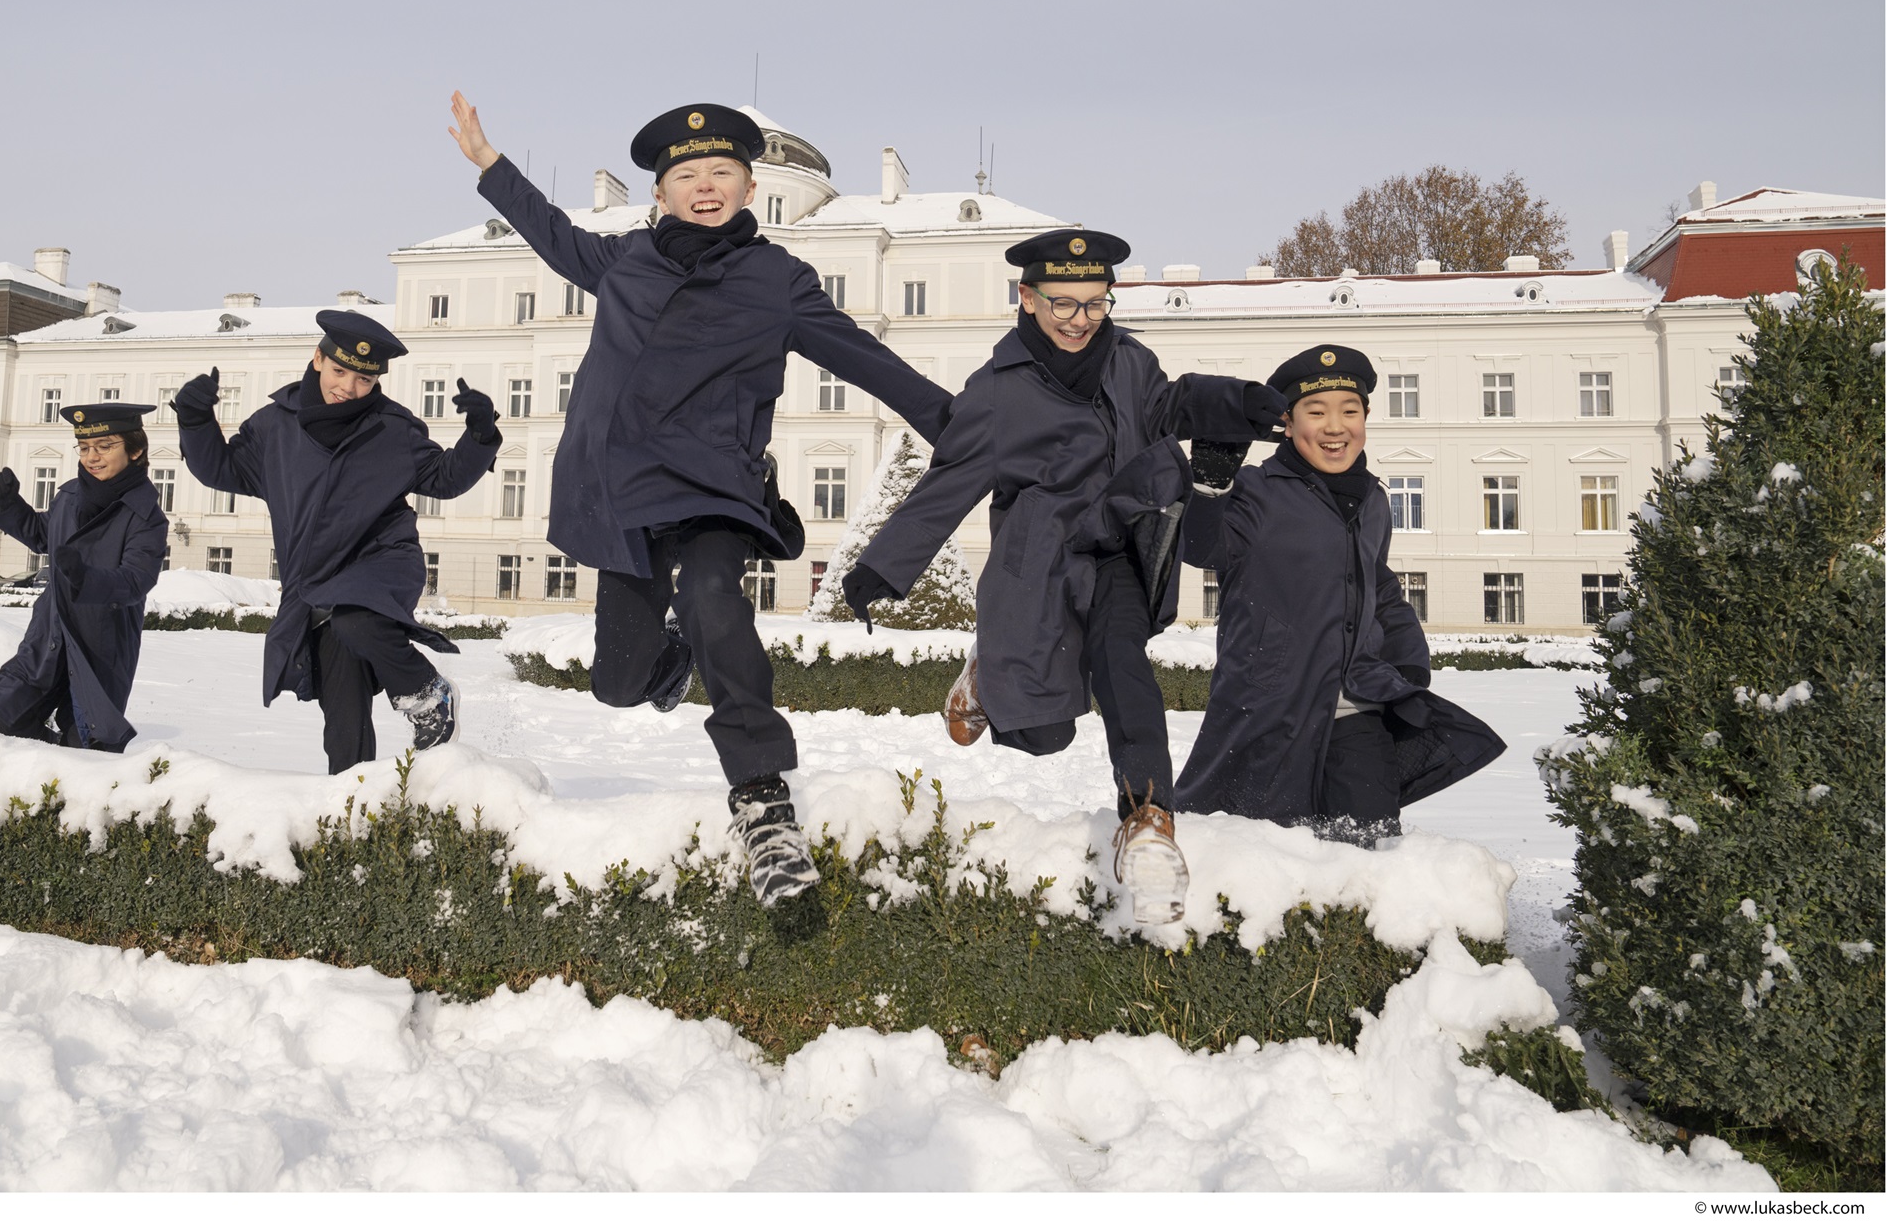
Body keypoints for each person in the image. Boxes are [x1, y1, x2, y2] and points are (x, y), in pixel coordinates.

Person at [446, 92, 954, 907]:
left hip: (716, 484)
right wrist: (490, 165)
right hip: (623, 492)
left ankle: (762, 798)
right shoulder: (623, 261)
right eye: (687, 174)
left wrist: (953, 422)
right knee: (618, 684)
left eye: (722, 171)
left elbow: (865, 360)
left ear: (749, 189)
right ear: (661, 193)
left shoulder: (778, 280)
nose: (705, 185)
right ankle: (672, 650)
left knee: (718, 597)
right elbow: (551, 235)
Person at [837, 229, 1286, 922]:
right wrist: (880, 568)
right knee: (1041, 734)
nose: (1079, 320)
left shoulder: (1130, 363)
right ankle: (987, 674)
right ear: (1026, 298)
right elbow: (947, 484)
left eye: (1094, 303)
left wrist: (1237, 404)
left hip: (1120, 554)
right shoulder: (995, 393)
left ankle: (1146, 820)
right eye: (1062, 304)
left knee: (1120, 664)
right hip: (1038, 567)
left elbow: (1173, 405)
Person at [1175, 344, 1506, 842]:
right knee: (1261, 855)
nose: (1335, 427)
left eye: (1349, 411)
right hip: (1271, 710)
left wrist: (1408, 658)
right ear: (1287, 423)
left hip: (1359, 712)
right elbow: (1201, 548)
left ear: (1365, 418)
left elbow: (1378, 582)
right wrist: (1210, 488)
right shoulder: (1255, 491)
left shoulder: (1373, 498)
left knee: (1365, 851)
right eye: (1317, 411)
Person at [174, 309, 502, 774]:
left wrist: (481, 434)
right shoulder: (274, 426)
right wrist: (195, 418)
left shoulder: (393, 428)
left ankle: (428, 696)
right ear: (317, 359)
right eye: (340, 371)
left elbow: (445, 478)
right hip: (314, 584)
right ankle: (350, 804)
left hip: (380, 561)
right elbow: (222, 470)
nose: (347, 387)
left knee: (358, 624)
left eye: (363, 379)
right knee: (342, 716)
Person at [0, 402, 169, 753]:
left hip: (98, 646)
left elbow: (135, 580)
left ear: (136, 449)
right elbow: (42, 535)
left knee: (86, 743)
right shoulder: (69, 495)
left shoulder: (146, 517)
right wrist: (11, 506)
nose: (92, 457)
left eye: (105, 446)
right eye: (84, 448)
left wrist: (87, 579)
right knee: (4, 714)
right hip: (50, 634)